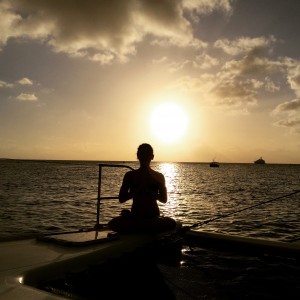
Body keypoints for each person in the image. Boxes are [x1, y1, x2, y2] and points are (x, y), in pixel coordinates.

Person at [108, 143, 177, 234]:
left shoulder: (159, 176)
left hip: (152, 218)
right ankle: (141, 228)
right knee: (112, 223)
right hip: (136, 217)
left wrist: (149, 192)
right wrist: (137, 191)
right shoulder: (130, 175)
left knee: (171, 223)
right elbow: (121, 198)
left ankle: (141, 228)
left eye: (147, 154)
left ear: (152, 156)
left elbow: (164, 199)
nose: (144, 157)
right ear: (138, 156)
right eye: (142, 154)